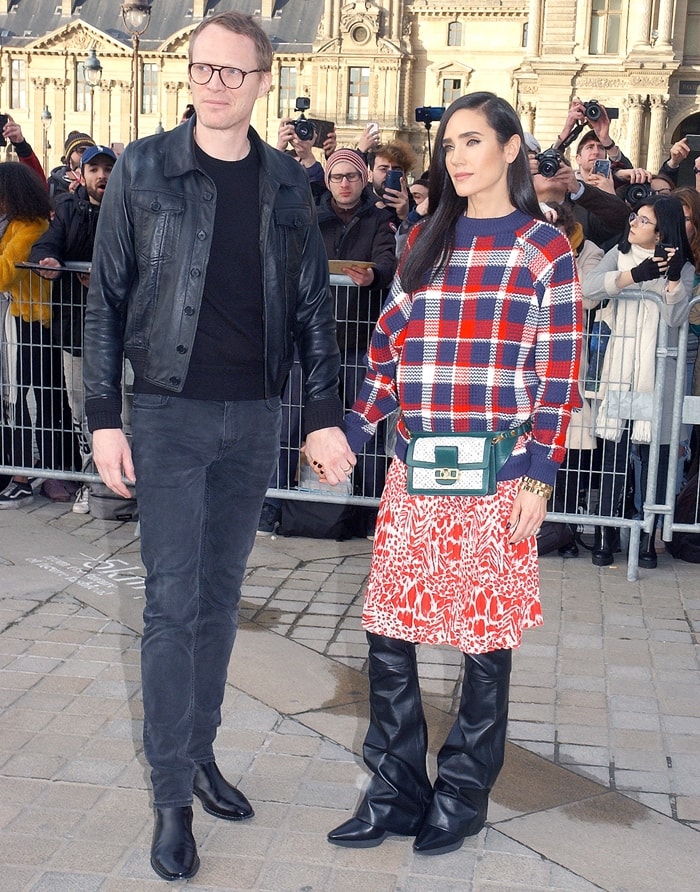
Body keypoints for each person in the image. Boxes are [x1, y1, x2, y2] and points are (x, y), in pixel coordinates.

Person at [82, 11, 353, 882]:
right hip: (165, 414)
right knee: (169, 606)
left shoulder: (284, 183)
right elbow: (107, 298)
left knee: (218, 601)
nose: (214, 83)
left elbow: (314, 305)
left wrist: (321, 414)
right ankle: (170, 796)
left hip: (251, 418)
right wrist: (102, 415)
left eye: (234, 72)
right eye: (202, 68)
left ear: (264, 81)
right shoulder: (145, 166)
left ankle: (198, 755)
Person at [326, 92, 582, 855]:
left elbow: (558, 370)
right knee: (388, 629)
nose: (459, 157)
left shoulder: (545, 247)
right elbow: (386, 351)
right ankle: (396, 789)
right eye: (451, 145)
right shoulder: (424, 245)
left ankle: (464, 794)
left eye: (474, 141)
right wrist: (352, 425)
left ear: (511, 148)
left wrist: (539, 474)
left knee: (483, 636)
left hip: (499, 474)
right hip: (417, 467)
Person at [258, 149, 397, 535]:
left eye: (352, 176)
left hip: (358, 341)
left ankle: (370, 511)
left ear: (365, 178)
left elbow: (388, 261)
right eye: (337, 177)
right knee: (287, 426)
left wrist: (376, 276)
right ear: (329, 181)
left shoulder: (380, 218)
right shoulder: (311, 216)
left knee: (366, 425)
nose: (345, 183)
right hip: (309, 341)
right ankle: (273, 504)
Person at [581, 195, 694, 567]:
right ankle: (605, 531)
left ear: (662, 230)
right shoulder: (620, 254)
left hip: (658, 373)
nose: (633, 223)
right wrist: (634, 275)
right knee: (614, 451)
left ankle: (648, 536)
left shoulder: (682, 265)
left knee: (654, 456)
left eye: (643, 221)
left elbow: (677, 316)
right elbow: (587, 291)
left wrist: (673, 276)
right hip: (619, 368)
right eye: (635, 217)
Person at [30, 145, 117, 514]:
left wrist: (106, 277)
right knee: (83, 408)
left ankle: (126, 483)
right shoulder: (68, 207)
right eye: (93, 169)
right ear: (82, 174)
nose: (101, 176)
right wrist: (46, 260)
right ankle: (93, 481)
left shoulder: (129, 207)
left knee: (126, 410)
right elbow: (48, 242)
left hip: (123, 331)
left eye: (107, 169)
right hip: (76, 328)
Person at [0, 163, 77, 507]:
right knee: (40, 398)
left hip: (35, 322)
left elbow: (5, 274)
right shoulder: (20, 224)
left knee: (26, 399)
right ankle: (43, 470)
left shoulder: (28, 228)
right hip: (31, 320)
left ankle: (24, 474)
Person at [48, 131, 95, 197]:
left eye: (91, 151)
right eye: (81, 150)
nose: (87, 155)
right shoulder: (53, 184)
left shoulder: (98, 181)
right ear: (69, 157)